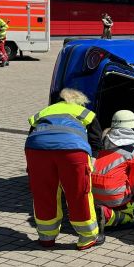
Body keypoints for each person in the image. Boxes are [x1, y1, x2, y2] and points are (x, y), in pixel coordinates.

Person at [25, 88, 105, 250]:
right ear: (80, 101)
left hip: (37, 150)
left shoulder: (44, 112)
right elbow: (96, 140)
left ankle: (46, 237)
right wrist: (91, 162)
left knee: (43, 193)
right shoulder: (85, 113)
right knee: (78, 192)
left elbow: (32, 134)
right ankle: (87, 237)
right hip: (72, 151)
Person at [91, 110, 134, 228]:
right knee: (131, 213)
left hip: (92, 191)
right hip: (113, 195)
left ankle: (95, 210)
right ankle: (107, 214)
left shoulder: (103, 139)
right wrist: (130, 194)